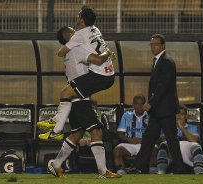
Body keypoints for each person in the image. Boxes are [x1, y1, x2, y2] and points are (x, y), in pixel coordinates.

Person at [47, 26, 121, 178]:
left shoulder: (69, 52)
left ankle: (56, 164)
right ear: (69, 35)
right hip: (80, 98)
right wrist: (108, 53)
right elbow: (97, 59)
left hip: (75, 96)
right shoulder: (77, 49)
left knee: (77, 134)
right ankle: (103, 171)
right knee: (96, 131)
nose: (77, 33)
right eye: (73, 31)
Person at [37, 5, 115, 140]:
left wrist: (105, 54)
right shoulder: (95, 29)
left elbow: (60, 52)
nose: (76, 19)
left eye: (78, 16)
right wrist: (107, 52)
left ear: (83, 20)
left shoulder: (77, 38)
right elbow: (99, 51)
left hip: (97, 77)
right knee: (77, 135)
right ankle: (56, 127)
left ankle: (57, 127)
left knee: (93, 132)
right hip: (105, 74)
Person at [127, 34, 184, 174]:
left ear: (163, 46)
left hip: (165, 110)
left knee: (171, 140)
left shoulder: (166, 61)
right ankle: (138, 167)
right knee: (148, 139)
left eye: (156, 44)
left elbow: (163, 86)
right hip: (159, 111)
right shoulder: (159, 61)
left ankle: (180, 169)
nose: (153, 47)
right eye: (151, 44)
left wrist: (150, 103)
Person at [113, 94, 157, 174]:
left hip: (146, 144)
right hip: (131, 144)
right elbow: (119, 134)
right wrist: (130, 140)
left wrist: (144, 140)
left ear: (145, 104)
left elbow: (156, 134)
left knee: (154, 149)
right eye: (137, 103)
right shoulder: (126, 115)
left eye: (142, 104)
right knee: (117, 150)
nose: (139, 106)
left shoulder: (151, 116)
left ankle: (152, 172)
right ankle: (121, 172)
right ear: (133, 105)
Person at [157, 104, 203, 174]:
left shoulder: (193, 127)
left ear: (186, 116)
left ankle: (199, 173)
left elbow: (194, 140)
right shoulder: (168, 126)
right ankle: (161, 172)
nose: (179, 116)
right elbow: (163, 139)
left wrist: (182, 127)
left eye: (182, 114)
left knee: (197, 146)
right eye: (177, 114)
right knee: (163, 144)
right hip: (173, 147)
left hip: (187, 147)